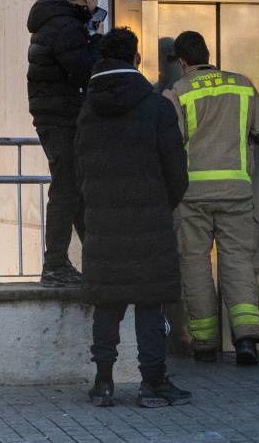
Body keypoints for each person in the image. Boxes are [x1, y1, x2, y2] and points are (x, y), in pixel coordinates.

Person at [75, 28, 191, 408]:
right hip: (149, 221)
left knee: (107, 302)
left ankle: (104, 383)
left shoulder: (88, 111)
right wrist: (162, 204)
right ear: (136, 59)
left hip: (104, 221)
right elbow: (176, 171)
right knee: (150, 302)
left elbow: (79, 172)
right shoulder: (156, 106)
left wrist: (95, 207)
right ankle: (152, 383)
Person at [163, 31, 259, 366]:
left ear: (182, 61)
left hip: (192, 195)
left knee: (195, 264)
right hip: (236, 194)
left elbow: (170, 142)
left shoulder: (178, 92)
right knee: (238, 262)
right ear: (207, 54)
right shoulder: (242, 85)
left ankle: (205, 345)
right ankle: (245, 341)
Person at [26, 0, 106, 287]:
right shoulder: (65, 26)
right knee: (66, 189)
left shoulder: (56, 21)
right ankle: (55, 265)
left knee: (75, 189)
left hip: (54, 115)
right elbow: (83, 71)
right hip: (61, 117)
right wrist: (98, 41)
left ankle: (97, 259)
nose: (95, 2)